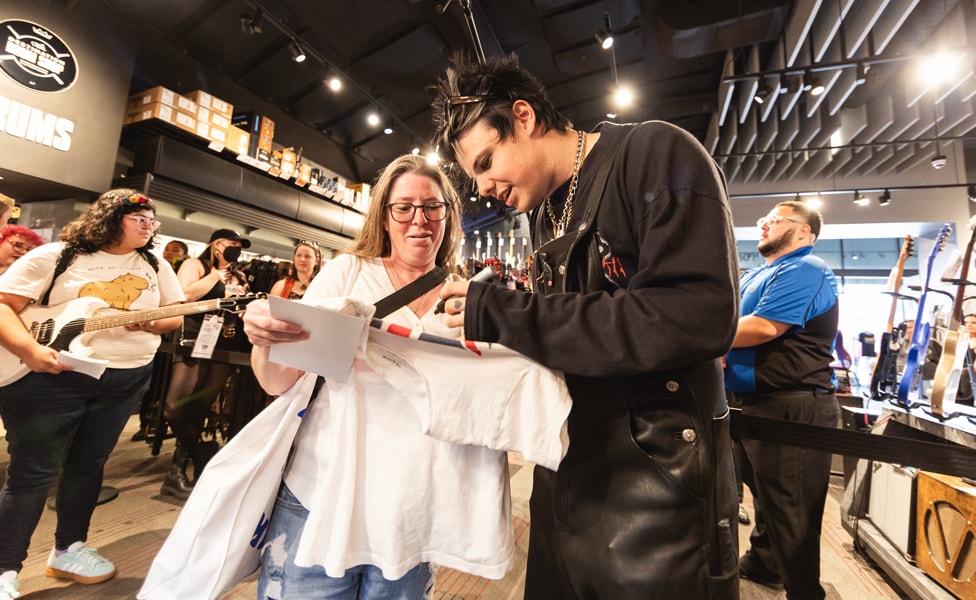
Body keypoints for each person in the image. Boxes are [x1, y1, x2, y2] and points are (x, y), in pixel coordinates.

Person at [431, 53, 740, 599]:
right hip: (566, 473)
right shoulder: (543, 211)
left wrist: (503, 313)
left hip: (658, 489)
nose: (480, 188)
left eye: (485, 161)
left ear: (522, 117)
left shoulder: (653, 153)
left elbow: (694, 313)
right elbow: (574, 329)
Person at [240, 153, 528, 599]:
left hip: (413, 510)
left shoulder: (465, 298)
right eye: (404, 207)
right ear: (385, 216)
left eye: (433, 206)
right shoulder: (348, 274)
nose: (420, 220)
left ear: (449, 215)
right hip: (323, 496)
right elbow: (279, 381)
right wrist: (264, 337)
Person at [0, 189, 184, 598]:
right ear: (110, 217)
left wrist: (154, 325)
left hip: (126, 377)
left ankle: (68, 548)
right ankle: (4, 568)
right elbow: (3, 304)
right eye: (140, 218)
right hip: (51, 375)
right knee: (32, 474)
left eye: (152, 221)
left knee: (89, 465)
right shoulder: (57, 255)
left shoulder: (155, 264)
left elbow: (173, 313)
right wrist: (29, 351)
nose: (149, 226)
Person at [724, 200, 839, 600]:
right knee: (766, 499)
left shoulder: (806, 268)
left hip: (793, 406)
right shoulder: (760, 273)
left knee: (792, 513)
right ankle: (763, 564)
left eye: (775, 220)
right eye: (763, 219)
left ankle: (804, 592)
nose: (764, 224)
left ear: (804, 232)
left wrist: (702, 339)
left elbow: (763, 327)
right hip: (754, 403)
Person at [158, 229, 250, 500]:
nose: (235, 248)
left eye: (238, 245)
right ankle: (202, 454)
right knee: (174, 408)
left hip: (225, 343)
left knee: (199, 408)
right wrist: (215, 275)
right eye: (230, 243)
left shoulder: (240, 274)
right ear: (216, 244)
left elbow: (238, 309)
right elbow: (184, 295)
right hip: (192, 339)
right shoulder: (194, 265)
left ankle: (177, 471)